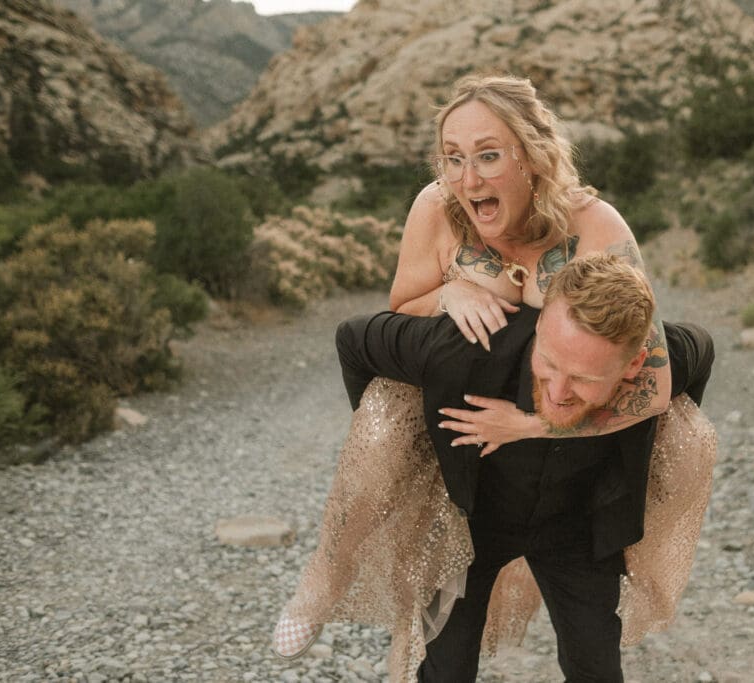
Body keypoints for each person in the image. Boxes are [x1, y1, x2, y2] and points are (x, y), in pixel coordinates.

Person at [272, 75, 714, 677]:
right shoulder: (434, 207)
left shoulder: (596, 227)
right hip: (471, 487)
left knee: (594, 660)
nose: (467, 178)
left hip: (570, 484)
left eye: (487, 155)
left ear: (531, 157)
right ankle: (328, 569)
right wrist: (450, 291)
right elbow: (401, 307)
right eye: (452, 158)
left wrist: (531, 425)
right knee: (443, 662)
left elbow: (650, 380)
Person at [333, 254, 715, 680]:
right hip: (470, 521)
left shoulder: (664, 365)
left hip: (577, 528)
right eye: (549, 363)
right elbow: (352, 341)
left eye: (584, 379)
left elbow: (703, 354)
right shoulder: (461, 347)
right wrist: (403, 452)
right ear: (538, 326)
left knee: (599, 670)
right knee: (446, 670)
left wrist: (544, 427)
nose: (559, 391)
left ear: (634, 365)